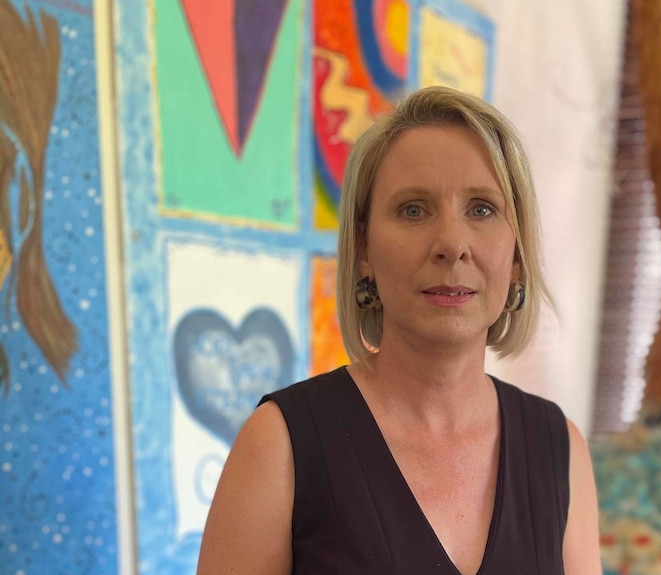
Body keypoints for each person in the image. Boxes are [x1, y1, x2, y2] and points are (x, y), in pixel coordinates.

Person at [196, 86, 601, 575]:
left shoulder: (560, 448)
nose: (453, 244)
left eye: (482, 209)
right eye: (413, 209)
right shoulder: (279, 443)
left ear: (516, 254)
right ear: (364, 247)